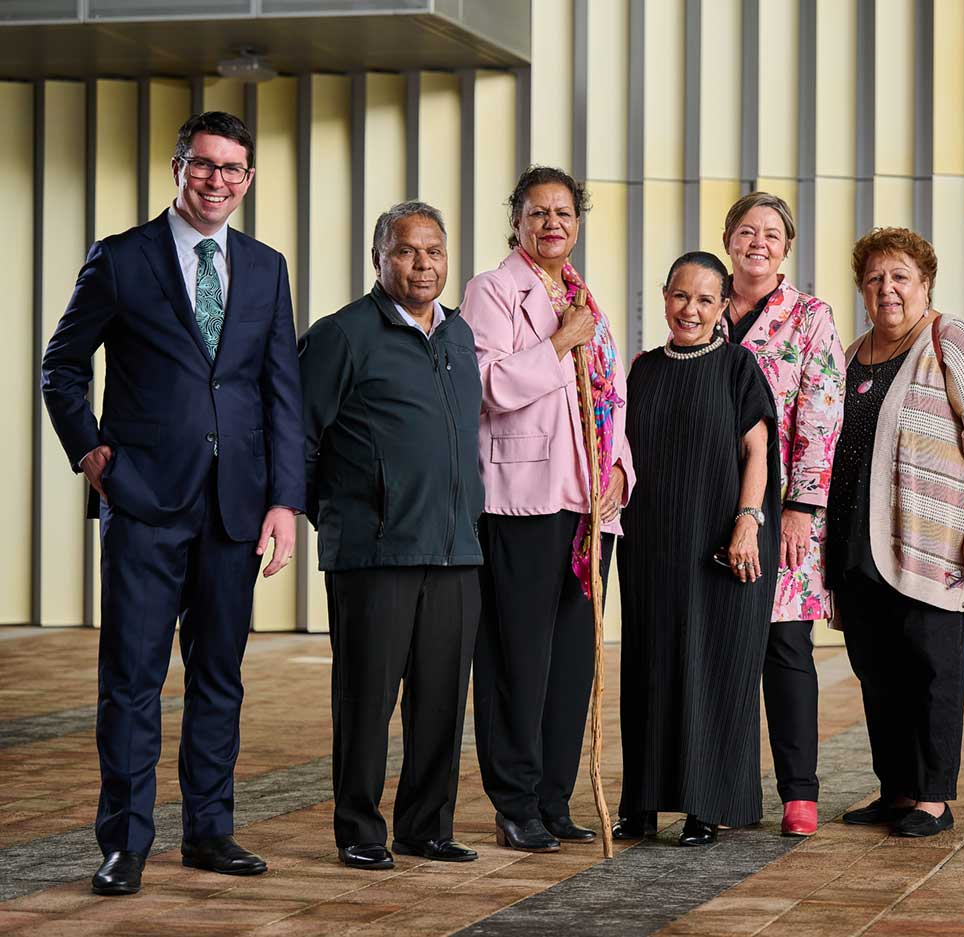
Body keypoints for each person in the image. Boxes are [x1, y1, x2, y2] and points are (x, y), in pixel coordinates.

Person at [40, 112, 302, 895]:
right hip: (146, 503)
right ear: (178, 166)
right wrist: (88, 448)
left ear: (248, 179)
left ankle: (210, 831)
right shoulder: (121, 259)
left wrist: (285, 500)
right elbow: (62, 365)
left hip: (236, 509)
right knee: (131, 679)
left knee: (220, 676)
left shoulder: (266, 267)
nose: (218, 180)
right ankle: (125, 841)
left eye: (234, 169)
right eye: (205, 165)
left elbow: (280, 393)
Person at [299, 201, 485, 870]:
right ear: (379, 259)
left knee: (440, 700)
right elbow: (298, 437)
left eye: (434, 250)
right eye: (407, 250)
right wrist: (341, 515)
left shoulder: (460, 336)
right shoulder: (342, 335)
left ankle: (425, 826)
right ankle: (359, 830)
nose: (423, 263)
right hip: (374, 553)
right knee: (366, 700)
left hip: (456, 549)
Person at [462, 166, 635, 853]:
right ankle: (516, 800)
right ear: (517, 221)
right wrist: (562, 341)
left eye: (563, 212)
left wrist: (621, 468)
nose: (552, 224)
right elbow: (491, 385)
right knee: (517, 657)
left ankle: (555, 797)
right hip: (522, 501)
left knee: (572, 658)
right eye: (538, 213)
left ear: (578, 220)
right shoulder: (492, 290)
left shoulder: (584, 295)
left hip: (590, 504)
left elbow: (611, 398)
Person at [827, 228, 964, 838]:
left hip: (933, 542)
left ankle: (934, 797)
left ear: (925, 283)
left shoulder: (951, 339)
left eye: (901, 277)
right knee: (878, 673)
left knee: (933, 670)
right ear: (862, 288)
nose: (888, 289)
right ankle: (897, 789)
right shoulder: (853, 353)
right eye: (876, 278)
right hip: (860, 546)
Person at [613, 251, 780, 847]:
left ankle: (706, 804)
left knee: (712, 669)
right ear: (664, 296)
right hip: (652, 546)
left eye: (706, 300)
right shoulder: (642, 369)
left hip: (718, 543)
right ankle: (642, 804)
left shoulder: (738, 367)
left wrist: (747, 522)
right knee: (649, 667)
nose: (691, 309)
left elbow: (757, 451)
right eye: (681, 296)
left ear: (721, 308)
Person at [719, 193, 845, 837]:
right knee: (720, 649)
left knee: (785, 646)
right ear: (728, 240)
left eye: (771, 234)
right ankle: (719, 789)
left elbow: (823, 414)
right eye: (747, 231)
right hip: (711, 507)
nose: (758, 242)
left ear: (786, 248)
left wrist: (801, 506)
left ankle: (800, 793)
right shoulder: (704, 304)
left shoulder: (810, 317)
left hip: (785, 508)